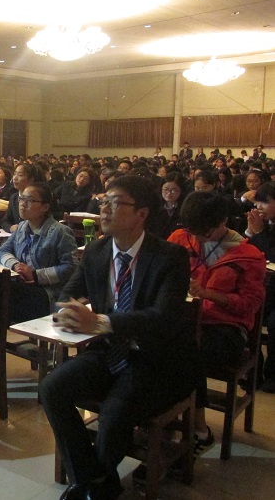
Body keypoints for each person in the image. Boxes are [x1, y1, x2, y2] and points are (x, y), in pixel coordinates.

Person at [40, 176, 197, 500]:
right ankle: (93, 480)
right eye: (103, 202)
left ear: (142, 214)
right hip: (109, 351)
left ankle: (92, 484)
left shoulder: (170, 257)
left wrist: (99, 321)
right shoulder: (97, 251)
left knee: (113, 416)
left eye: (115, 203)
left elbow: (162, 318)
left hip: (155, 358)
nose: (105, 209)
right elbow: (67, 294)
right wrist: (69, 312)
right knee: (52, 388)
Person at [169, 192, 265, 453]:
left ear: (223, 221)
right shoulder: (180, 239)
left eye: (205, 232)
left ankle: (197, 428)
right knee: (157, 346)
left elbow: (249, 305)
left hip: (226, 329)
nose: (198, 237)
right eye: (192, 230)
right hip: (186, 321)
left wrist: (209, 294)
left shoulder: (248, 255)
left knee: (186, 353)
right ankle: (166, 422)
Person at [0, 183, 77, 322]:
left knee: (6, 294)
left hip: (48, 293)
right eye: (21, 199)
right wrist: (15, 265)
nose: (22, 204)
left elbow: (70, 268)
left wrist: (34, 275)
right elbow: (2, 250)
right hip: (23, 286)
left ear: (45, 207)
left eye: (29, 200)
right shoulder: (22, 227)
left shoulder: (60, 232)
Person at [246, 181, 275, 392]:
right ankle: (253, 371)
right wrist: (251, 232)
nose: (259, 207)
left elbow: (270, 255)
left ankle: (272, 374)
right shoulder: (266, 224)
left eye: (265, 202)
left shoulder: (265, 228)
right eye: (257, 202)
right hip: (267, 287)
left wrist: (259, 234)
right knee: (247, 310)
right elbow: (250, 253)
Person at [2, 164, 44, 232]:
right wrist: (11, 228)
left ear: (31, 179)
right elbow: (5, 221)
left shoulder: (39, 197)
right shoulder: (14, 198)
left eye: (20, 175)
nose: (15, 178)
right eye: (14, 174)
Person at [147, 171, 187, 239]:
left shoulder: (185, 208)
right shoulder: (154, 207)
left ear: (181, 190)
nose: (169, 193)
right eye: (166, 189)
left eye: (174, 190)